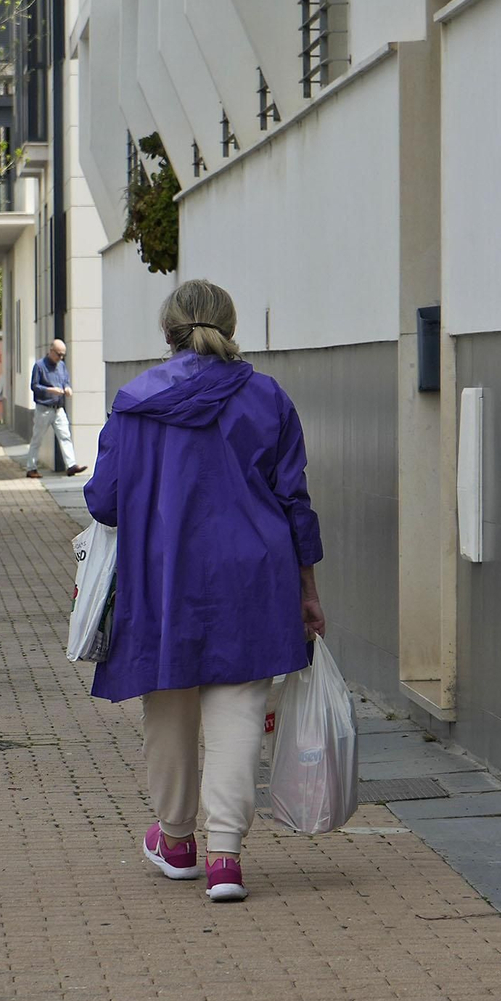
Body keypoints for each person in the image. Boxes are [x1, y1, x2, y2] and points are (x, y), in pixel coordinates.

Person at [83, 278, 326, 903]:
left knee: (168, 703)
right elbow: (294, 499)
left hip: (162, 577)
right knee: (239, 709)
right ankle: (226, 858)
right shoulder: (267, 398)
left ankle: (176, 840)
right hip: (254, 578)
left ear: (168, 329)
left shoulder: (134, 402)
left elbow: (104, 502)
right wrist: (308, 589)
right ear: (230, 323)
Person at [24, 339, 86, 479]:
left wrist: (67, 388)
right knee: (37, 438)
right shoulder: (39, 366)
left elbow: (65, 381)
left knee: (65, 436)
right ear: (51, 351)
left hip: (58, 408)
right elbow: (34, 386)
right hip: (44, 408)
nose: (60, 357)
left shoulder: (61, 366)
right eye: (58, 354)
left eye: (63, 355)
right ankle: (31, 468)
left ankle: (71, 465)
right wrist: (50, 390)